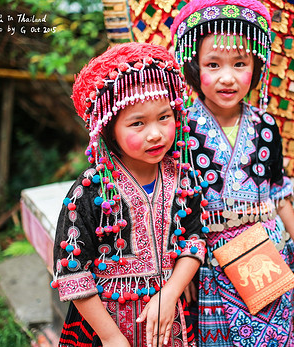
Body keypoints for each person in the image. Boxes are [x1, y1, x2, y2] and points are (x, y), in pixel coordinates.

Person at [170, 0, 294, 345]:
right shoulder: (181, 131)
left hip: (269, 251)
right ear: (195, 68)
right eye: (213, 64)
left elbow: (279, 195)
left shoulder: (266, 125)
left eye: (240, 63)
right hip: (211, 261)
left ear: (257, 67)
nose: (228, 77)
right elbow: (176, 206)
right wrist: (183, 269)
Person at [51, 42, 208, 347]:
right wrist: (110, 337)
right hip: (104, 330)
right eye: (138, 123)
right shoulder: (88, 192)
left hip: (170, 320)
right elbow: (73, 275)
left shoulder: (183, 178)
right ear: (109, 129)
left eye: (164, 117)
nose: (156, 133)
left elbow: (194, 240)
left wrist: (172, 291)